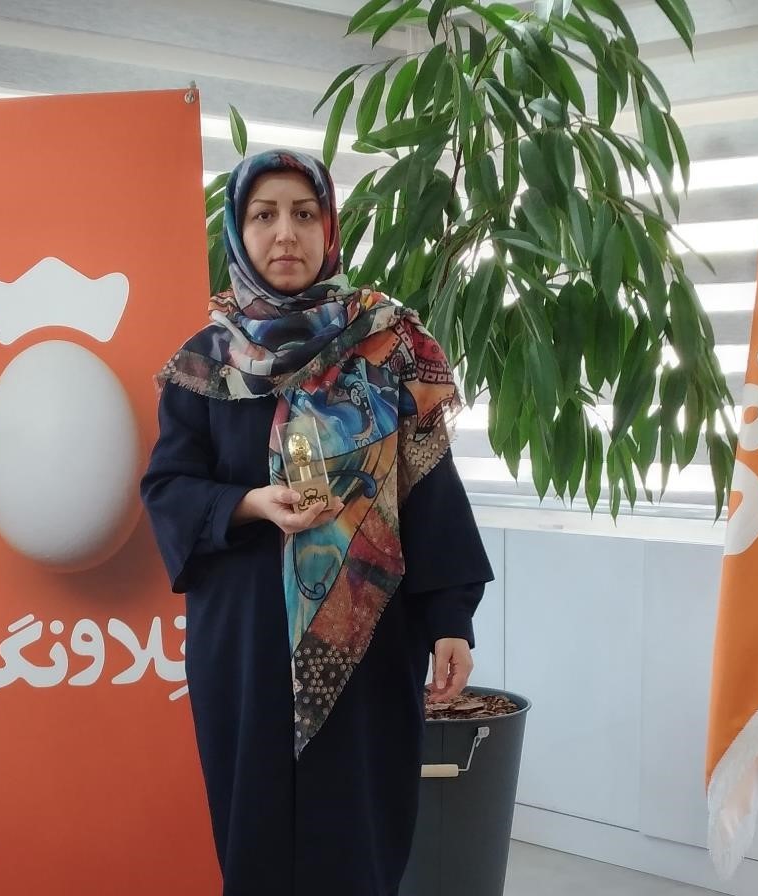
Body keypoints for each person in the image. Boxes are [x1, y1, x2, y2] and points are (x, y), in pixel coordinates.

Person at [140, 148, 493, 896]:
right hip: (247, 646)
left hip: (366, 640)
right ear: (238, 233)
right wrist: (252, 503)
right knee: (257, 837)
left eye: (304, 214)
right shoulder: (204, 365)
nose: (285, 233)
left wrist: (450, 622)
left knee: (359, 835)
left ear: (329, 228)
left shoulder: (388, 346)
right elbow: (168, 487)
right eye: (263, 215)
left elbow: (429, 488)